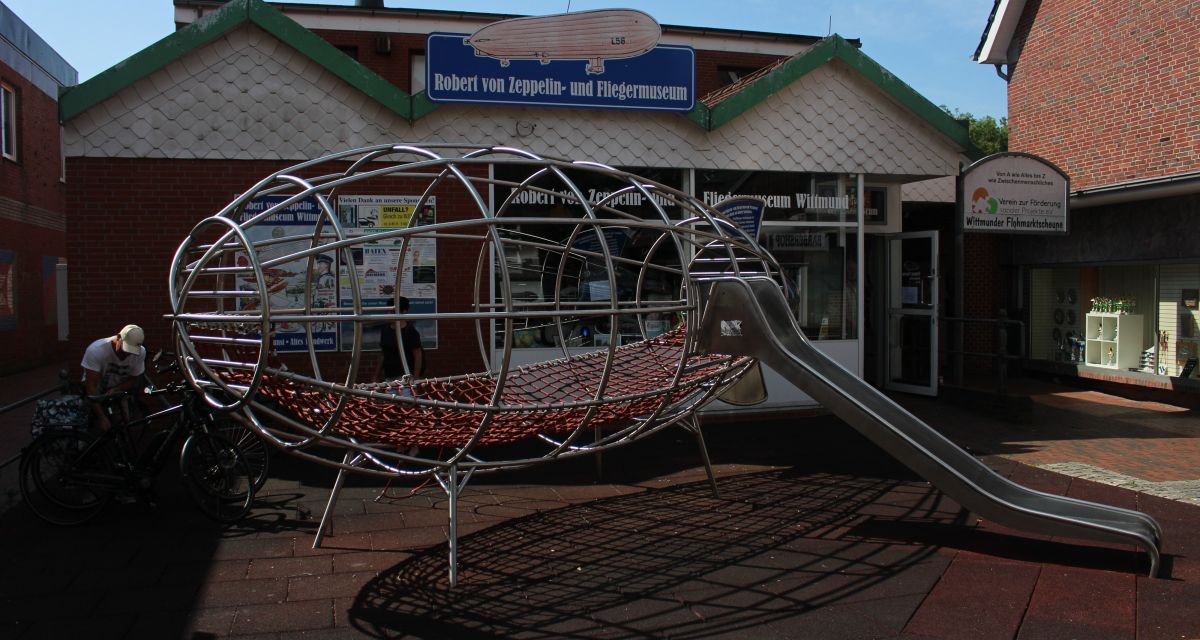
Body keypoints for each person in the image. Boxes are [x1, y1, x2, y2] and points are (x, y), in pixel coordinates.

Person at [81, 324, 147, 430]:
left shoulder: (140, 353)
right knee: (95, 425)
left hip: (118, 390)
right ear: (118, 338)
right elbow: (91, 387)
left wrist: (117, 389)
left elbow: (133, 379)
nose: (127, 354)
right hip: (96, 390)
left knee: (123, 425)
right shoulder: (96, 351)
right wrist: (101, 417)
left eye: (131, 351)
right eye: (125, 349)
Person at [378, 297, 425, 381]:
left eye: (392, 312)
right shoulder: (385, 330)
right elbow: (383, 354)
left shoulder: (410, 331)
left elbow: (418, 355)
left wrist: (416, 377)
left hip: (406, 377)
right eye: (388, 311)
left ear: (404, 312)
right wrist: (376, 374)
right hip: (389, 376)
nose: (389, 314)